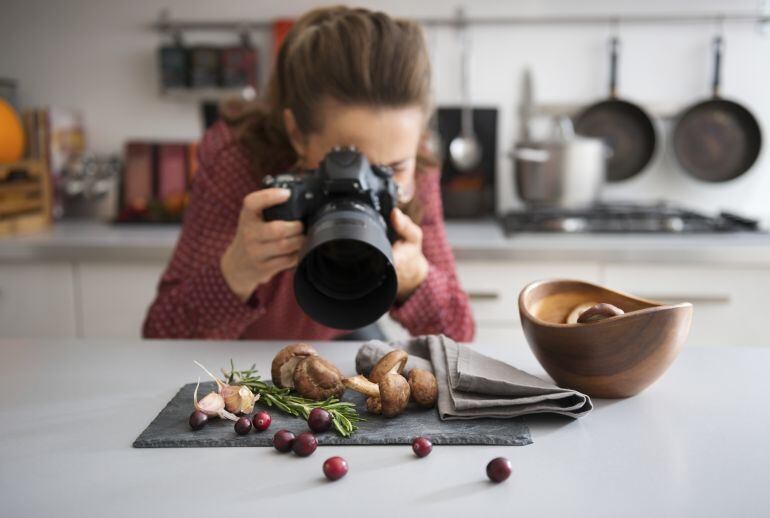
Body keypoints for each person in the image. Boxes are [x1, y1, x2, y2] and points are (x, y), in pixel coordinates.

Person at [143, 6, 475, 342]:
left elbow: (460, 336)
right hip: (239, 347)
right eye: (345, 162)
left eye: (392, 169)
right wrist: (235, 272)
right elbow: (162, 335)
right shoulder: (237, 159)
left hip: (339, 333)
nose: (364, 185)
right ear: (297, 135)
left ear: (417, 141)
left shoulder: (417, 168)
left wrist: (417, 280)